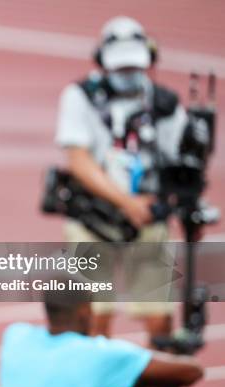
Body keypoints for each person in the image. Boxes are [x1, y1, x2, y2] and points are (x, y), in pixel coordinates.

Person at [55, 16, 190, 339]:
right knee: (93, 318)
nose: (127, 75)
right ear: (102, 62)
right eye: (120, 68)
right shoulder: (79, 96)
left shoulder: (166, 105)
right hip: (92, 218)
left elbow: (180, 166)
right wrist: (125, 202)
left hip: (147, 219)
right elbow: (78, 160)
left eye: (134, 68)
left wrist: (170, 203)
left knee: (160, 320)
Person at [0, 282, 204, 387]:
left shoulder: (15, 336)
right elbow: (192, 371)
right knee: (162, 380)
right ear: (84, 311)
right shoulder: (98, 353)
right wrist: (172, 350)